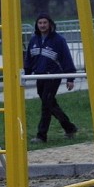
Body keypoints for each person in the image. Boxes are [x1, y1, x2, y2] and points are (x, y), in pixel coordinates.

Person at [24, 13, 78, 144]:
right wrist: (25, 74)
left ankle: (41, 136)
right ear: (37, 25)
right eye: (40, 23)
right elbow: (29, 59)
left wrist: (70, 78)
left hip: (53, 76)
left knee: (46, 105)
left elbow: (66, 58)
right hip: (40, 76)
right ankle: (70, 127)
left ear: (50, 24)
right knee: (50, 104)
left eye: (45, 23)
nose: (42, 25)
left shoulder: (59, 40)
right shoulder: (33, 40)